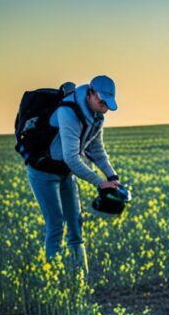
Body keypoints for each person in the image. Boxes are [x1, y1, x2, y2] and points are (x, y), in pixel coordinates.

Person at [26, 75, 121, 270]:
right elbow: (71, 158)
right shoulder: (67, 112)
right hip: (43, 170)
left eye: (107, 103)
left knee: (76, 227)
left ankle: (79, 280)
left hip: (65, 172)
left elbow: (95, 151)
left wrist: (112, 177)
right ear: (90, 93)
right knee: (55, 225)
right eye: (101, 100)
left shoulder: (97, 117)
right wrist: (99, 182)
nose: (104, 106)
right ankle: (54, 278)